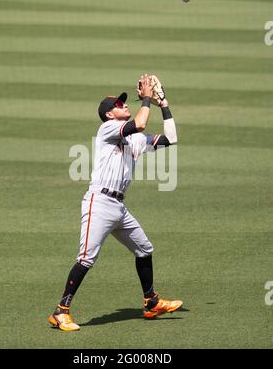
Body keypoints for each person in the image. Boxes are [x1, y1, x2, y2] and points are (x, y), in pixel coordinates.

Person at [48, 74, 182, 331]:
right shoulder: (107, 129)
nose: (123, 104)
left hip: (119, 208)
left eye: (123, 102)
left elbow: (170, 139)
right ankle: (60, 311)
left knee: (145, 249)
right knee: (86, 258)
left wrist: (163, 104)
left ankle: (151, 302)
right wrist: (146, 98)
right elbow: (140, 124)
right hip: (98, 203)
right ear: (109, 115)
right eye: (118, 105)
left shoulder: (134, 139)